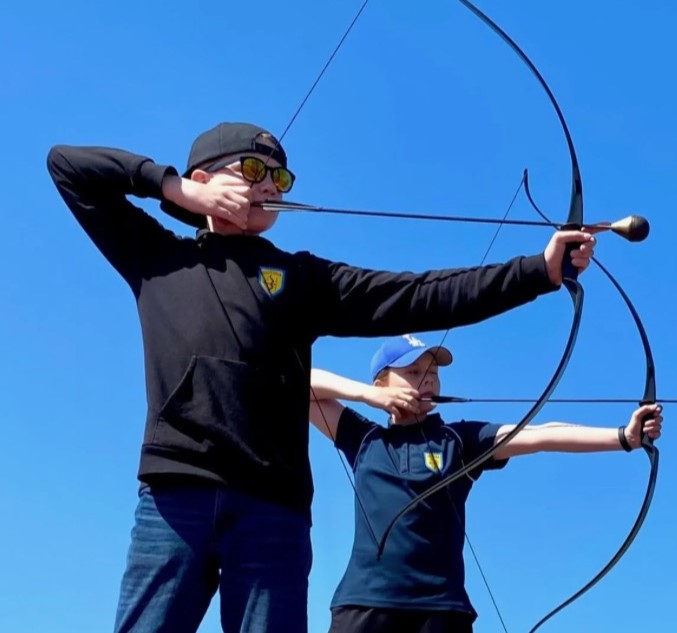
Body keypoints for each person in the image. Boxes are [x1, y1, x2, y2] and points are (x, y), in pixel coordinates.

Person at [45, 121, 596, 633]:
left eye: (280, 178)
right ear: (203, 177)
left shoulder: (302, 279)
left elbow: (418, 294)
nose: (271, 186)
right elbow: (67, 165)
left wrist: (538, 271)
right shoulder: (158, 258)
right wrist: (173, 189)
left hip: (273, 510)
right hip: (175, 495)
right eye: (254, 170)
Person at [308, 334, 664, 633]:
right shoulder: (363, 438)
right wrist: (366, 395)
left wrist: (623, 436)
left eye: (433, 373)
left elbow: (541, 434)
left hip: (441, 609)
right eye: (413, 372)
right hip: (366, 603)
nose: (427, 380)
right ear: (381, 384)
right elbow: (300, 382)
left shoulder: (458, 440)